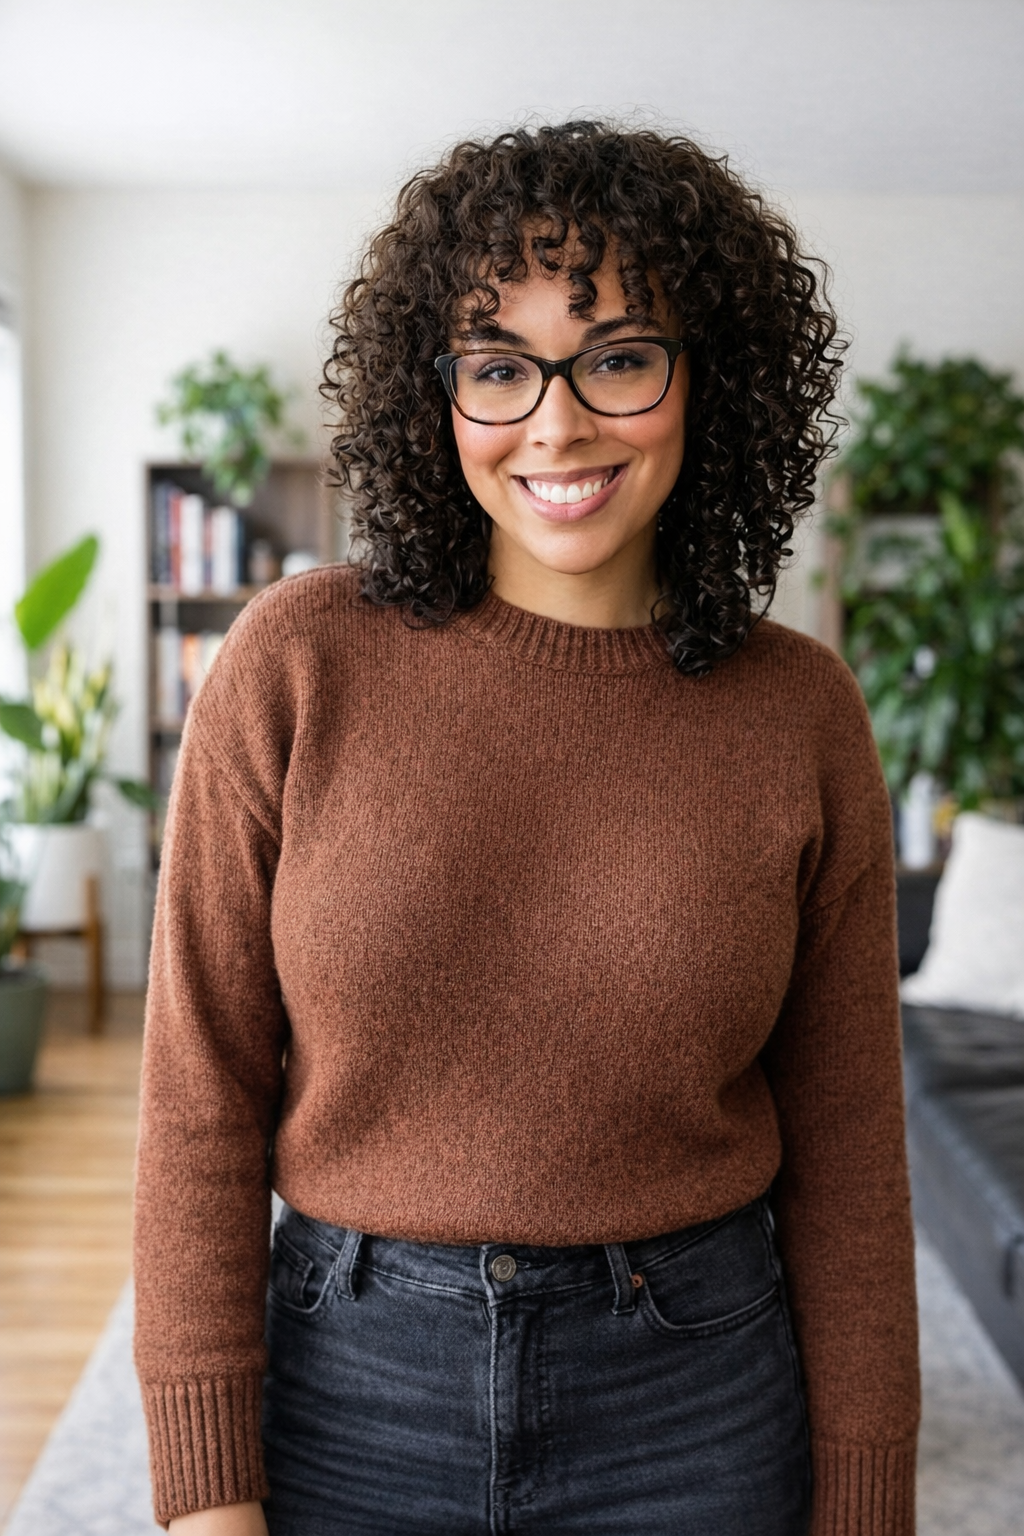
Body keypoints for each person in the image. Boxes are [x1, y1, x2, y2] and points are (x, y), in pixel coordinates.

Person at [133, 121, 920, 1536]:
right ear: (435, 398)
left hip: (696, 1402)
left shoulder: (802, 711)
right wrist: (205, 1494)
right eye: (498, 367)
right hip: (347, 1392)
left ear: (707, 383)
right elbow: (198, 1100)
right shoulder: (294, 664)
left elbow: (856, 1152)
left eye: (617, 356)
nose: (554, 423)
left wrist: (868, 1497)